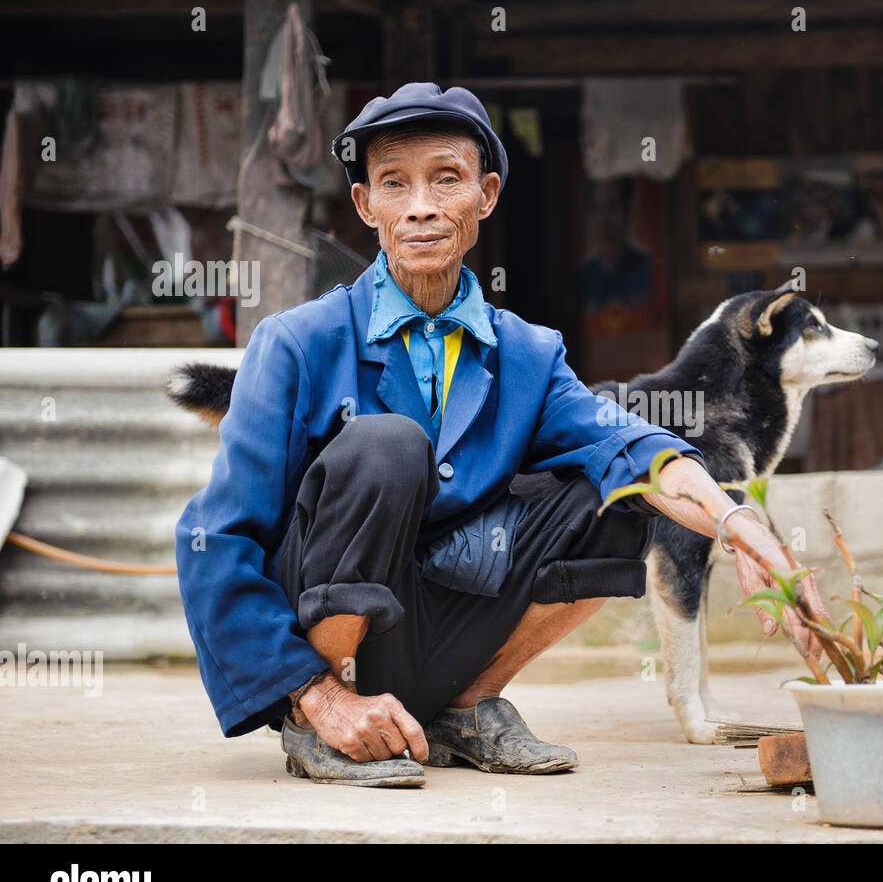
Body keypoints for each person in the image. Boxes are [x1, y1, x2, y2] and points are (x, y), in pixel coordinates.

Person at [175, 83, 826, 788]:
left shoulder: (527, 354)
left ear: (485, 196)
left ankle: (467, 703)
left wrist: (739, 522)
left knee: (624, 488)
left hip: (452, 629)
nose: (421, 204)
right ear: (366, 205)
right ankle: (330, 719)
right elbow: (215, 537)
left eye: (446, 178)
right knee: (385, 444)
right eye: (395, 182)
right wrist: (312, 691)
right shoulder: (297, 343)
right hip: (329, 648)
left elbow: (632, 447)